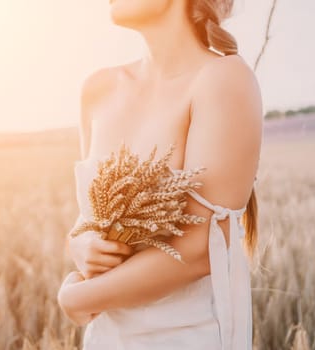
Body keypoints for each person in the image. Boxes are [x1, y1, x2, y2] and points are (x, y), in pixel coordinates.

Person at [57, 0, 263, 349]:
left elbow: (200, 249)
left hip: (186, 336)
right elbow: (92, 213)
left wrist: (78, 298)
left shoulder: (224, 77)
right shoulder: (98, 89)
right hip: (108, 336)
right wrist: (79, 243)